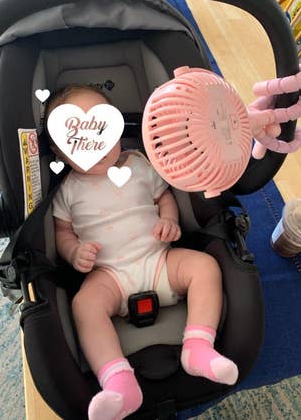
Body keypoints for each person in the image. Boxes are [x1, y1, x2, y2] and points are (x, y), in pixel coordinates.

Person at [46, 83, 238, 420]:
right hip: (109, 276)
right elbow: (62, 231)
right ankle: (118, 382)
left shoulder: (138, 163)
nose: (97, 145)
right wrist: (74, 251)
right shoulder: (68, 190)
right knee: (84, 305)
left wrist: (169, 219)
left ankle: (197, 347)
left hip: (160, 260)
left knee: (205, 267)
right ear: (60, 152)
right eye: (79, 139)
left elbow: (164, 196)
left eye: (103, 129)